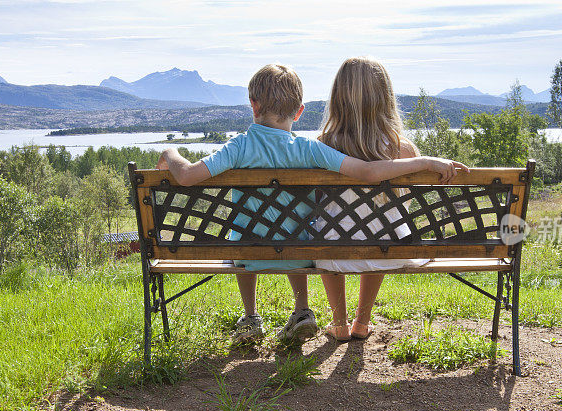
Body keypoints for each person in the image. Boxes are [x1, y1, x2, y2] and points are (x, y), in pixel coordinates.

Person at [157, 63, 467, 346]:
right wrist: (425, 160)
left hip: (247, 253)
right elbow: (368, 171)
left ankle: (252, 316)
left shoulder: (240, 146)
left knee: (245, 233)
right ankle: (306, 310)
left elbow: (185, 176)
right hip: (301, 253)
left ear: (253, 105)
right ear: (300, 111)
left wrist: (169, 154)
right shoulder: (310, 149)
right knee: (297, 230)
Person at [315, 57, 470, 341]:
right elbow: (400, 210)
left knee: (332, 227)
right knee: (382, 224)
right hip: (390, 249)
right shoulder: (405, 150)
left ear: (338, 97)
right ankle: (362, 322)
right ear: (385, 98)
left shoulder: (322, 146)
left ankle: (339, 323)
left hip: (332, 252)